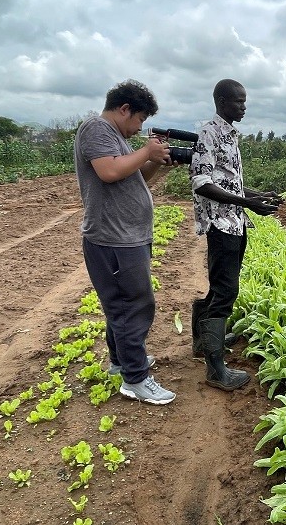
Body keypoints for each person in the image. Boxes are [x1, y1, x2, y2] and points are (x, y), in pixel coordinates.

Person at [74, 79, 176, 405]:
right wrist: (147, 150)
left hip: (127, 237)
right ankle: (136, 379)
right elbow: (109, 172)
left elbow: (133, 176)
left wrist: (155, 163)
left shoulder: (115, 136)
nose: (139, 128)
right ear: (124, 109)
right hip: (114, 238)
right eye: (140, 120)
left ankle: (122, 364)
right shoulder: (96, 128)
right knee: (133, 307)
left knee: (122, 306)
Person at [189, 79, 283, 392]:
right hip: (220, 223)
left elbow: (227, 183)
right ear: (221, 101)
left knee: (222, 285)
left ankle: (203, 342)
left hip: (235, 221)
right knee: (226, 291)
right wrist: (247, 202)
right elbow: (201, 182)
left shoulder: (229, 133)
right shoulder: (210, 132)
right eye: (238, 102)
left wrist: (259, 196)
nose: (244, 107)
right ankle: (215, 370)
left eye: (244, 101)